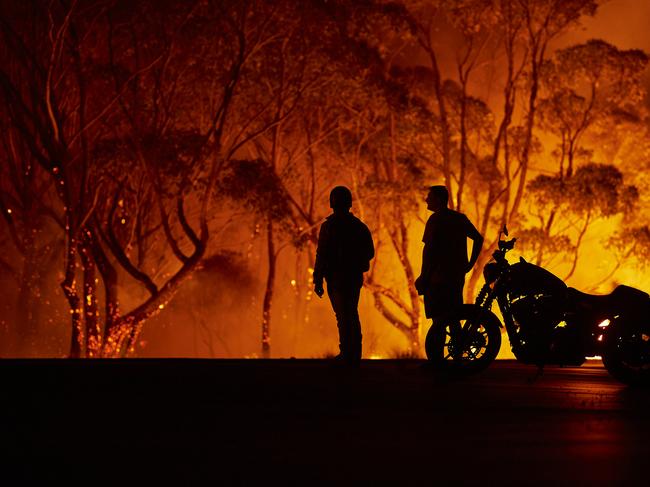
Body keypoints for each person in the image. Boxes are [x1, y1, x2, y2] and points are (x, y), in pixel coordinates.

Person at [313, 186, 374, 366]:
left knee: (343, 315)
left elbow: (321, 254)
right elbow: (369, 252)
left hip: (336, 278)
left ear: (333, 202)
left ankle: (348, 352)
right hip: (352, 278)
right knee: (351, 314)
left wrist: (318, 279)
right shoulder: (359, 227)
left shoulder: (329, 226)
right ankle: (353, 353)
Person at [415, 185, 483, 321]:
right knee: (454, 317)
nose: (426, 200)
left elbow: (429, 251)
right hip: (456, 277)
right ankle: (459, 341)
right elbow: (478, 238)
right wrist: (470, 264)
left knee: (438, 320)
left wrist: (423, 275)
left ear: (439, 199)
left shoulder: (435, 220)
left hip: (437, 279)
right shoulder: (460, 218)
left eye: (430, 197)